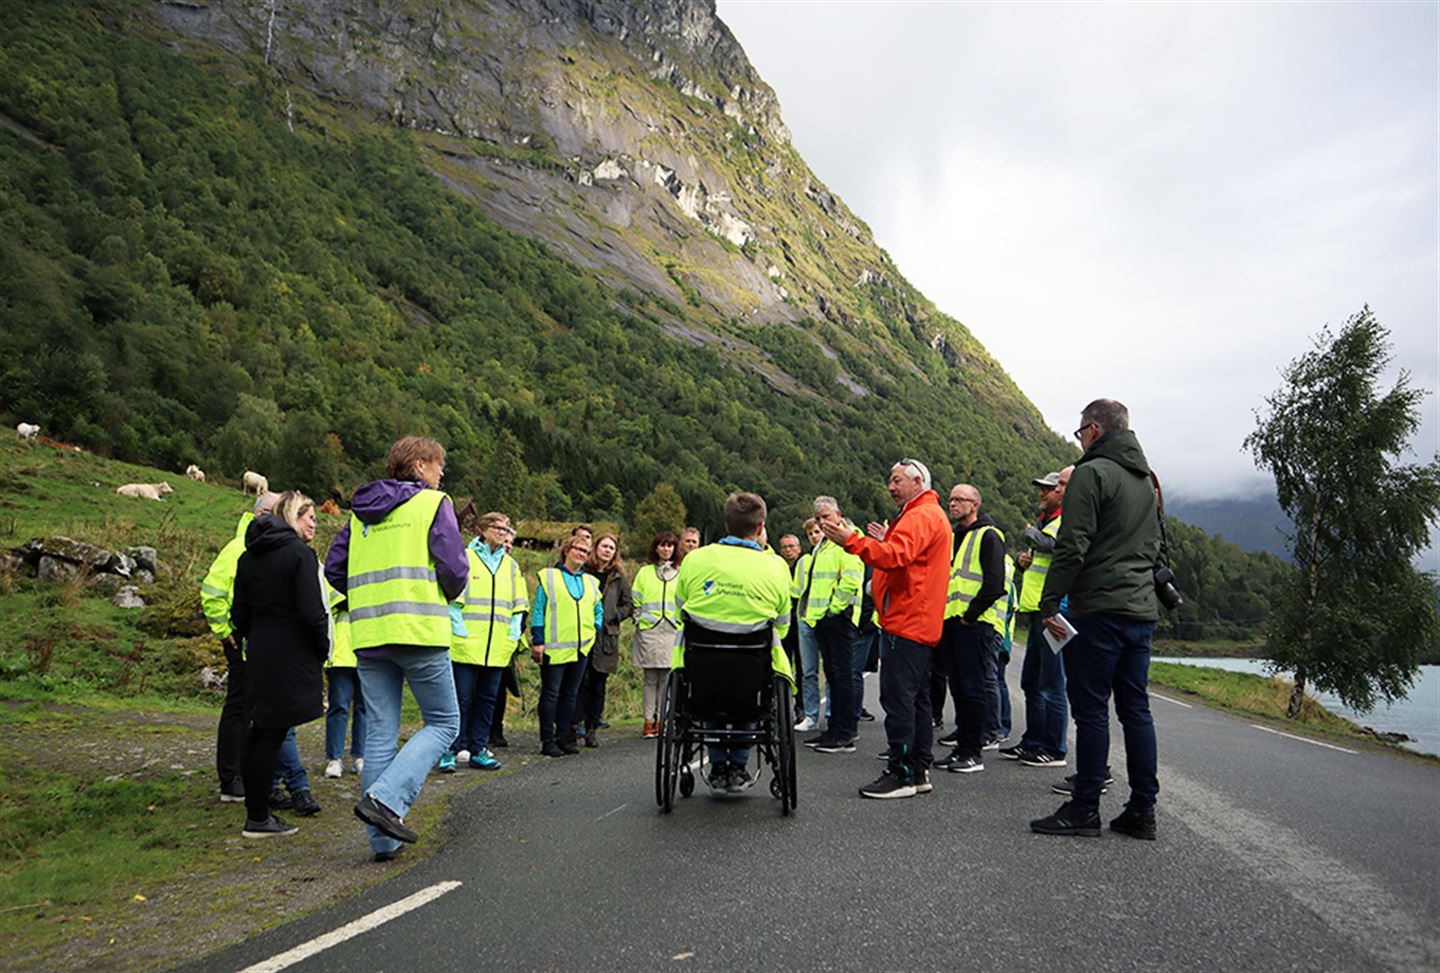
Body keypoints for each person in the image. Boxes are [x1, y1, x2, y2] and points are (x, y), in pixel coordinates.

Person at [325, 436, 466, 860]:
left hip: (369, 635)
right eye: (438, 465)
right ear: (420, 465)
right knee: (444, 722)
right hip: (419, 628)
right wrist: (443, 591)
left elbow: (334, 567)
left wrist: (367, 597)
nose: (442, 473)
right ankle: (387, 802)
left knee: (381, 732)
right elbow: (455, 567)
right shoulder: (433, 504)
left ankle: (382, 842)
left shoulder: (360, 515)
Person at [1031, 399, 1161, 840]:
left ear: (1095, 430)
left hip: (1099, 609)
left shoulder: (1091, 473)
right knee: (1136, 710)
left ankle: (1085, 807)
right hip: (1141, 610)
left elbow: (1073, 545)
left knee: (1090, 710)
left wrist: (1049, 603)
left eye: (1079, 432)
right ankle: (1142, 810)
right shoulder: (1148, 479)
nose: (1080, 440)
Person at [823, 459, 951, 799]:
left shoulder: (921, 515)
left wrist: (852, 541)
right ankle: (918, 769)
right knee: (918, 699)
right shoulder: (924, 514)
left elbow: (895, 556)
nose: (891, 487)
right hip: (917, 619)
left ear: (917, 481)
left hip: (907, 620)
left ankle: (902, 773)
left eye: (896, 481)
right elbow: (905, 554)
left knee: (899, 700)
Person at [672, 492, 793, 794]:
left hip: (703, 668)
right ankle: (737, 765)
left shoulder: (695, 560)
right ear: (761, 526)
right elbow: (782, 623)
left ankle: (717, 765)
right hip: (751, 671)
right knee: (754, 696)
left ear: (726, 523)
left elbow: (679, 610)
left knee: (707, 694)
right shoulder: (776, 566)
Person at [202, 491, 314, 810]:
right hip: (243, 641)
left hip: (257, 642)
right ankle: (232, 778)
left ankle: (256, 781)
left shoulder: (266, 547)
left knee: (258, 713)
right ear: (263, 512)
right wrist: (226, 632)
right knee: (240, 710)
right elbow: (212, 591)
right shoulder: (240, 548)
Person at [231, 491, 330, 837]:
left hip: (258, 651)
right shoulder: (299, 556)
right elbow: (312, 612)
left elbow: (238, 614)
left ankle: (257, 809)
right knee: (272, 733)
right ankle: (258, 817)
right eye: (308, 516)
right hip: (290, 653)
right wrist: (322, 649)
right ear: (291, 516)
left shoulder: (248, 557)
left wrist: (251, 636)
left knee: (259, 730)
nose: (314, 523)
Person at [443, 512, 528, 772]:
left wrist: (512, 637)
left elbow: (519, 605)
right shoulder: (465, 558)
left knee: (487, 700)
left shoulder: (510, 566)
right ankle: (451, 749)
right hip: (466, 646)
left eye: (507, 529)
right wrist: (461, 634)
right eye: (498, 528)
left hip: (498, 649)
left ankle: (479, 748)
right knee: (460, 700)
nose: (504, 533)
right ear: (482, 529)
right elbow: (453, 603)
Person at [1001, 467, 1073, 766]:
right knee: (1031, 681)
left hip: (1054, 612)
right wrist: (1021, 560)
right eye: (1040, 488)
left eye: (1047, 488)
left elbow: (1054, 546)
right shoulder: (1047, 521)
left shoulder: (1065, 520)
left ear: (1061, 491)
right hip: (1035, 610)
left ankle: (1055, 749)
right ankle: (1033, 741)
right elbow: (1039, 556)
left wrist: (1031, 534)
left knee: (1052, 682)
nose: (1041, 493)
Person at [934, 484, 1007, 775]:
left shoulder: (989, 535)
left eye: (959, 500)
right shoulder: (955, 537)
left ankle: (972, 752)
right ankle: (962, 748)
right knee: (960, 688)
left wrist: (970, 616)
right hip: (952, 622)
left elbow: (994, 583)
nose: (953, 504)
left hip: (974, 624)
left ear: (974, 504)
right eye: (950, 499)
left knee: (974, 688)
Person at [531, 535, 603, 757]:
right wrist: (538, 640)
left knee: (571, 695)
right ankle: (547, 740)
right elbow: (538, 611)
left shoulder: (590, 581)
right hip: (554, 648)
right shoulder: (550, 577)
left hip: (580, 648)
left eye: (585, 550)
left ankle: (563, 737)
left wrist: (594, 630)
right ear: (566, 551)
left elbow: (597, 610)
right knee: (551, 695)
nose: (581, 553)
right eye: (578, 549)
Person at [803, 496, 864, 754]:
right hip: (823, 619)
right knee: (833, 676)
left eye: (826, 517)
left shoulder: (847, 539)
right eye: (818, 518)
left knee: (842, 675)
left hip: (838, 618)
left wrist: (833, 609)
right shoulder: (824, 544)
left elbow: (851, 579)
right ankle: (834, 729)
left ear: (838, 514)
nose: (822, 522)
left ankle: (845, 733)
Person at [580, 533, 633, 747]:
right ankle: (574, 726)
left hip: (606, 637)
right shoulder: (584, 571)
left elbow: (629, 604)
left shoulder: (618, 576)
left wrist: (614, 614)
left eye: (611, 548)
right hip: (582, 632)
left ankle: (592, 728)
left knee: (598, 684)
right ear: (596, 548)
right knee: (579, 682)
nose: (607, 550)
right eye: (604, 546)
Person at [632, 531, 681, 737]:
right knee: (650, 679)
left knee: (666, 679)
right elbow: (636, 598)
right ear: (655, 548)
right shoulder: (644, 572)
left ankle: (662, 720)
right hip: (650, 630)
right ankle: (648, 721)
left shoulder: (681, 573)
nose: (666, 549)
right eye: (662, 545)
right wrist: (638, 618)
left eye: (670, 546)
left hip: (671, 630)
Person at [324, 585, 365, 779]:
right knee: (339, 706)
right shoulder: (335, 570)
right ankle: (334, 759)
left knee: (364, 707)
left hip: (367, 648)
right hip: (340, 651)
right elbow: (329, 603)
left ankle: (360, 756)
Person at [790, 518, 825, 732]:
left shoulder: (832, 554)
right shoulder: (804, 561)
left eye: (818, 532)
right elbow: (796, 591)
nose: (814, 536)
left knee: (830, 671)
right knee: (808, 670)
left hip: (824, 617)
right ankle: (810, 715)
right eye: (811, 533)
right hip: (804, 618)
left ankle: (830, 714)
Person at [777, 533, 803, 684]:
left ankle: (801, 702)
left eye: (791, 546)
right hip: (784, 621)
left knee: (802, 665)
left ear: (799, 548)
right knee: (784, 661)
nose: (788, 550)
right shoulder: (778, 568)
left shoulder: (806, 565)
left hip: (801, 620)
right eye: (784, 547)